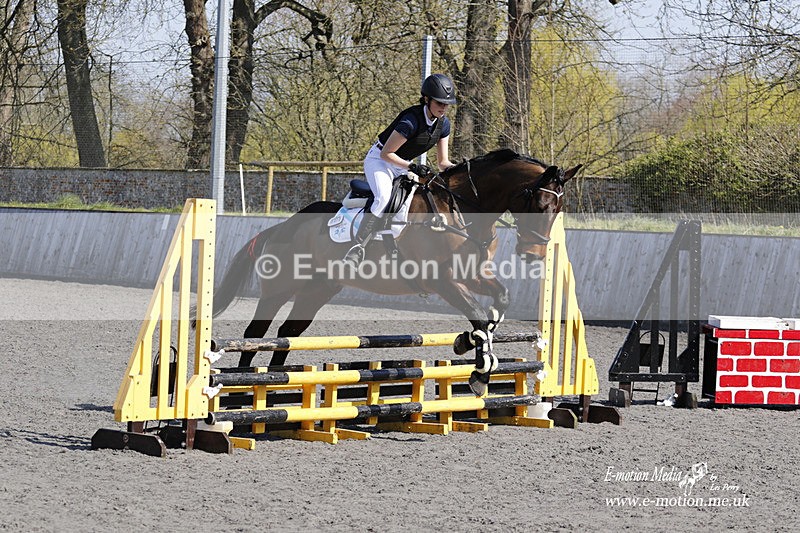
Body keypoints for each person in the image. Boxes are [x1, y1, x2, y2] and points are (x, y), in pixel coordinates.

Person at [343, 73, 457, 267]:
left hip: (401, 163)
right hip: (380, 160)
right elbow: (386, 153)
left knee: (414, 202)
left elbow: (443, 162)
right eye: (439, 102)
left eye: (447, 104)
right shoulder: (411, 121)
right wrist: (411, 166)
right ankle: (357, 248)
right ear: (427, 99)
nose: (443, 107)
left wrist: (462, 171)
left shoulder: (443, 124)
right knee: (384, 198)